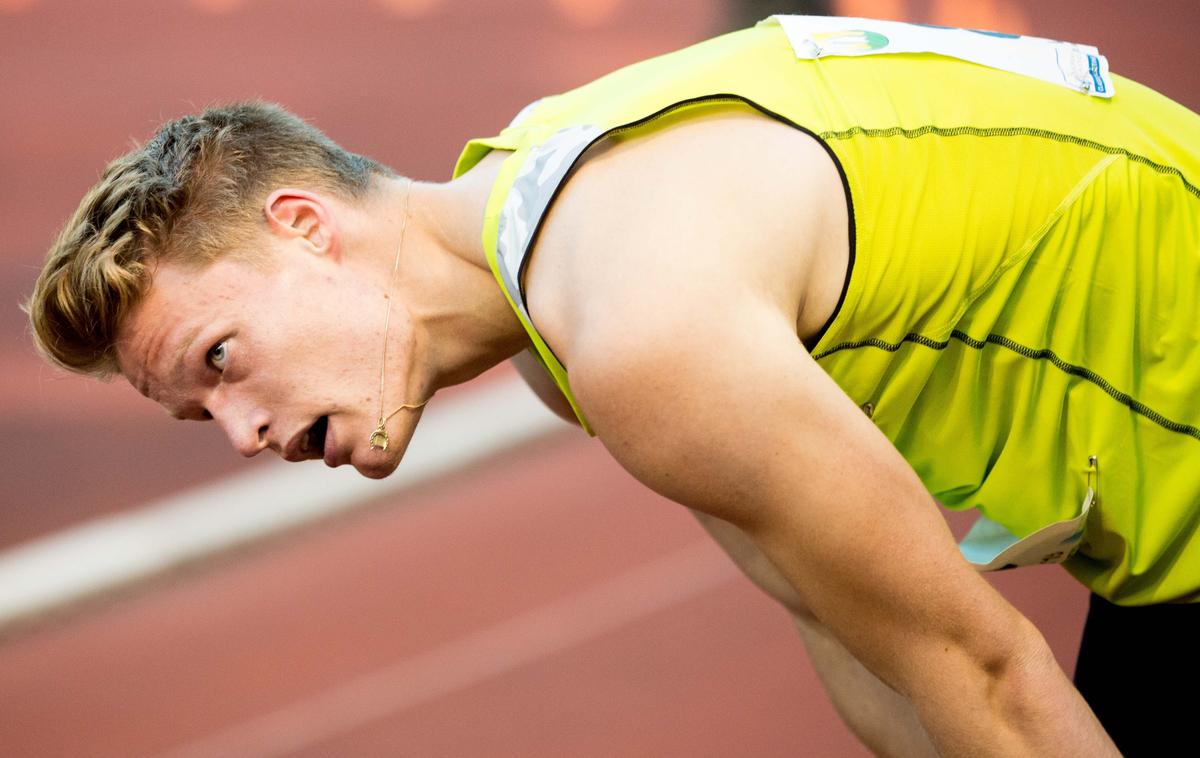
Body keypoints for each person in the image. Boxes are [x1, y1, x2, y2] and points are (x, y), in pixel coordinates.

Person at [25, 15, 1199, 757]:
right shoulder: (557, 234)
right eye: (200, 412)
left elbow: (986, 673)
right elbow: (862, 640)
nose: (240, 432)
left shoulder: (641, 326)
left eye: (221, 360)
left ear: (304, 225)